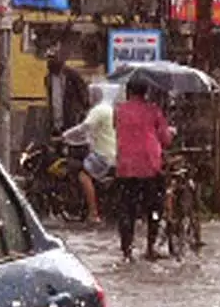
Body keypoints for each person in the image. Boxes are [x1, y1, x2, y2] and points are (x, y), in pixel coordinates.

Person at [110, 84, 171, 261]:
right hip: (150, 167)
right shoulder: (154, 110)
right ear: (146, 92)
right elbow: (165, 139)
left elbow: (117, 129)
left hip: (125, 167)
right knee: (154, 207)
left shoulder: (119, 110)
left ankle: (127, 251)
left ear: (128, 92)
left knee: (126, 209)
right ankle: (151, 247)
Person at [59, 89, 117, 224]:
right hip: (112, 153)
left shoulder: (98, 110)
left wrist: (65, 136)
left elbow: (83, 128)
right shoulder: (109, 109)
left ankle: (93, 213)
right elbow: (88, 136)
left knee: (83, 175)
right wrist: (72, 140)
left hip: (103, 155)